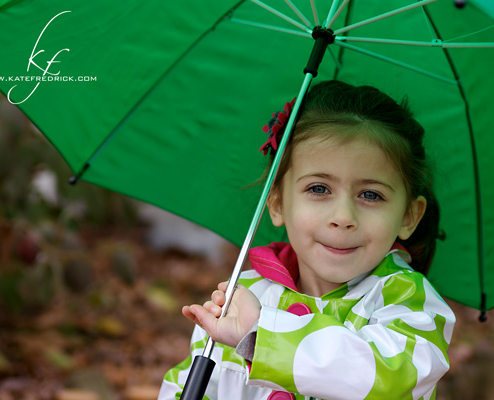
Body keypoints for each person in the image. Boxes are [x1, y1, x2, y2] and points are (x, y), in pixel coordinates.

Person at [158, 80, 456, 400]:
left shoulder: (409, 302)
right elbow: (190, 385)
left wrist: (262, 335)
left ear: (409, 215)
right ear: (276, 204)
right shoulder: (241, 297)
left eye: (371, 194)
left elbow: (388, 377)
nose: (343, 216)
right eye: (319, 189)